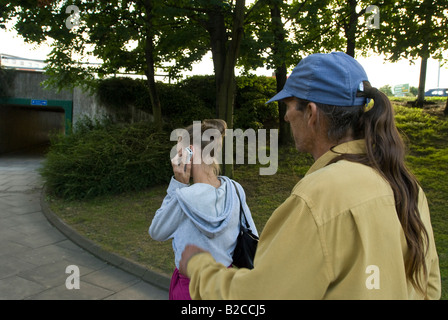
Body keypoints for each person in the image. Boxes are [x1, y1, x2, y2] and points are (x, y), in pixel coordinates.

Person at [179, 52, 441, 299]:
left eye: (290, 105)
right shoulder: (406, 185)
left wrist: (199, 267)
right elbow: (429, 286)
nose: (286, 116)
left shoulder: (318, 197)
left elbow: (258, 297)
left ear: (312, 114)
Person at [149, 119, 258, 300]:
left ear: (190, 151)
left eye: (178, 150)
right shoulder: (236, 190)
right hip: (225, 288)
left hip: (190, 290)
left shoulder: (184, 198)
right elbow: (253, 234)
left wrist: (177, 185)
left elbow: (156, 231)